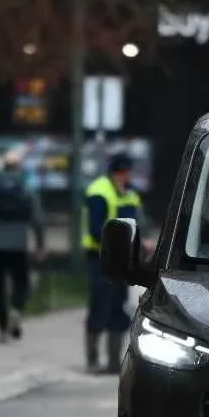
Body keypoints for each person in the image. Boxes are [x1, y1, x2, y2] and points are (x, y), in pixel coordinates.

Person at [81, 152, 143, 373]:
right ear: (114, 173)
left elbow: (135, 223)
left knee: (118, 306)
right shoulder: (98, 191)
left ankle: (114, 362)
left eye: (127, 173)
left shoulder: (131, 193)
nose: (125, 176)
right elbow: (96, 230)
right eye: (122, 173)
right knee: (99, 304)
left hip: (121, 259)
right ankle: (92, 359)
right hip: (98, 257)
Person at [0, 147, 46, 343]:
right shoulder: (26, 188)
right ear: (19, 168)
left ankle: (1, 327)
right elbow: (37, 219)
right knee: (21, 283)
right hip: (19, 243)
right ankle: (16, 309)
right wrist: (40, 244)